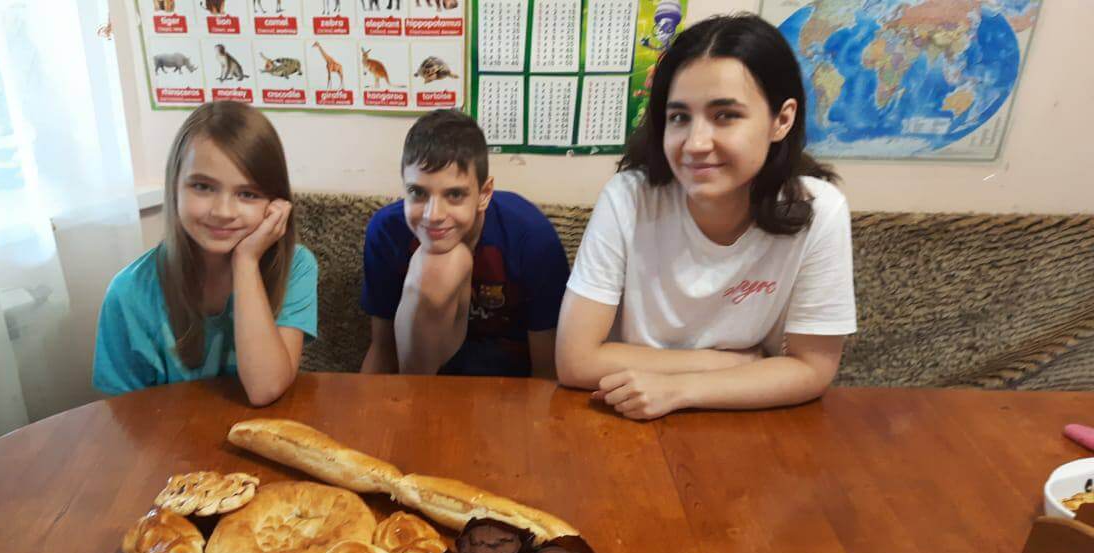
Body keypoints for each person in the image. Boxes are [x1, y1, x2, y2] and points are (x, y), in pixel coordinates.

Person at [557, 13, 856, 420]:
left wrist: (679, 389)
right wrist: (726, 364)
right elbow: (575, 361)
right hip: (625, 415)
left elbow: (812, 368)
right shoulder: (629, 198)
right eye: (679, 117)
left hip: (747, 421)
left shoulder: (818, 211)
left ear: (782, 120)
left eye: (725, 115)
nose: (695, 143)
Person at [93, 102, 317, 405]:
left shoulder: (296, 266)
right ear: (174, 187)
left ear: (276, 205)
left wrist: (246, 262)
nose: (223, 212)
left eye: (247, 194)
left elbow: (265, 388)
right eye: (202, 187)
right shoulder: (128, 292)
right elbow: (123, 416)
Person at [360, 109, 570, 378]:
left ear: (484, 194)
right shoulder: (387, 232)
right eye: (418, 192)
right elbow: (383, 349)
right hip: (423, 381)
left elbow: (547, 371)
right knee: (436, 266)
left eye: (455, 194)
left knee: (448, 262)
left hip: (509, 385)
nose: (433, 215)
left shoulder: (533, 239)